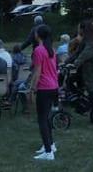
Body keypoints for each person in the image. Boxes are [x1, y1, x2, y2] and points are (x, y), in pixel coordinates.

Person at [65, 19, 93, 125]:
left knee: (92, 95)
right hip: (86, 70)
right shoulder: (85, 40)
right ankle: (82, 103)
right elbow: (77, 53)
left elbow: (84, 55)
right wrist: (65, 62)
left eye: (81, 29)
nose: (79, 31)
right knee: (69, 81)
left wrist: (74, 64)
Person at [31, 25, 59, 161]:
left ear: (38, 35)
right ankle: (50, 145)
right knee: (46, 117)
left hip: (44, 87)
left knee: (42, 119)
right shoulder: (52, 50)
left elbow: (37, 72)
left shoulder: (38, 50)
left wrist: (32, 88)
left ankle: (48, 153)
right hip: (53, 86)